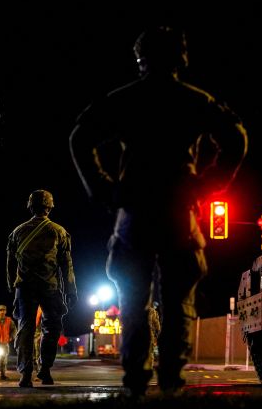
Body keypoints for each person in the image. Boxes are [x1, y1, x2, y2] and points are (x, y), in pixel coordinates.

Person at [69, 26, 248, 397]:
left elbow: (80, 138)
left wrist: (103, 188)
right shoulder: (194, 100)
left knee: (133, 297)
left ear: (141, 59)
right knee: (178, 299)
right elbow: (235, 137)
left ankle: (136, 378)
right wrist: (209, 184)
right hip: (179, 208)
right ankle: (170, 378)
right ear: (180, 57)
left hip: (134, 207)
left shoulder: (124, 100)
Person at [6, 190, 78, 388]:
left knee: (25, 329)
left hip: (25, 288)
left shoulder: (17, 231)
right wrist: (71, 291)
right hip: (50, 288)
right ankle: (45, 370)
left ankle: (25, 375)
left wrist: (12, 284)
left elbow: (10, 263)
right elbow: (67, 265)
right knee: (51, 328)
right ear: (50, 207)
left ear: (30, 206)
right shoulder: (59, 231)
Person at [0, 304, 17, 380]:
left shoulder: (9, 320)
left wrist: (12, 337)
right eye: (0, 310)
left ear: (6, 311)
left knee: (3, 359)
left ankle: (3, 374)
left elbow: (14, 329)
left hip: (4, 343)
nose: (2, 312)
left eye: (3, 310)